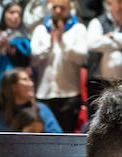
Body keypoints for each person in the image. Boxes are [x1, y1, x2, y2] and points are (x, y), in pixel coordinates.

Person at [31, 0, 87, 132]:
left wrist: (62, 42)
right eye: (55, 7)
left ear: (69, 9)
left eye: (62, 8)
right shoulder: (40, 30)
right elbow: (33, 60)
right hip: (44, 94)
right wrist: (50, 43)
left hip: (69, 95)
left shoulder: (78, 29)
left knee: (66, 137)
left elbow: (81, 58)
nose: (58, 11)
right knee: (42, 137)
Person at [85, 0, 122, 108]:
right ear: (109, 3)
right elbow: (92, 43)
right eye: (120, 1)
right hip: (99, 84)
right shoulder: (97, 22)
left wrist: (113, 36)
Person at [0, 65, 62, 132]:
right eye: (25, 79)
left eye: (30, 79)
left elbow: (57, 139)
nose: (31, 84)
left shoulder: (42, 110)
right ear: (12, 86)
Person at [0, 1, 31, 91]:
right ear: (4, 14)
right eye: (12, 12)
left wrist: (9, 47)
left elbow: (25, 60)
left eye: (19, 14)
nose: (16, 16)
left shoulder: (23, 37)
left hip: (14, 77)